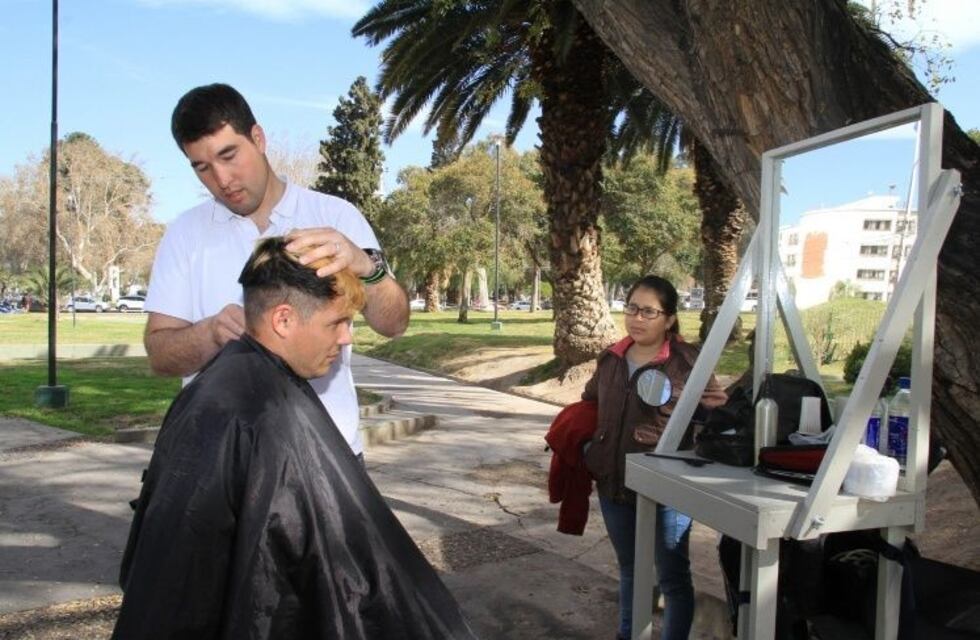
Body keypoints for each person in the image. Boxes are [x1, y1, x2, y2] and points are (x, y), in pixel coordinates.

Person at [113, 238, 476, 640]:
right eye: (337, 323)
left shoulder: (244, 393)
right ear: (283, 320)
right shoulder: (255, 415)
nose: (346, 339)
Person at [143, 83, 408, 461]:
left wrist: (364, 264)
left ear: (258, 137)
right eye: (203, 167)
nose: (222, 179)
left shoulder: (336, 216)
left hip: (329, 459)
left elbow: (394, 324)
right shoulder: (184, 234)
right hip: (221, 463)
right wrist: (212, 333)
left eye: (229, 155)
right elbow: (159, 355)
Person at [582, 275, 727, 640]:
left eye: (649, 311)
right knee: (631, 569)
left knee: (672, 578)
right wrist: (590, 450)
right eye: (632, 308)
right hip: (614, 484)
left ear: (670, 319)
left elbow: (719, 415)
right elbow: (589, 403)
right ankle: (629, 634)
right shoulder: (611, 357)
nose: (637, 318)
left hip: (667, 494)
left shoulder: (687, 361)